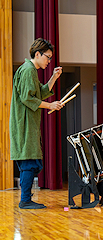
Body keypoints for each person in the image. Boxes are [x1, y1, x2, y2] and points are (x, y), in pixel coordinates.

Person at [10, 38, 63, 209]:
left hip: (28, 124)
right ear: (37, 54)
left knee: (32, 162)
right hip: (24, 124)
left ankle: (26, 199)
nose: (49, 61)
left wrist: (54, 77)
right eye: (47, 57)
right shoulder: (28, 70)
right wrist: (51, 105)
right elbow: (28, 98)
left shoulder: (30, 70)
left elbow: (39, 92)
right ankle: (25, 200)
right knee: (29, 163)